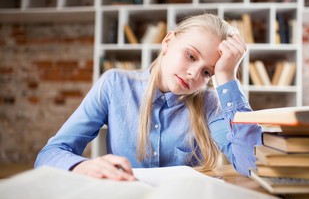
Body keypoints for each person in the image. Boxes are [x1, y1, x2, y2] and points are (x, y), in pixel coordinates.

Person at [35, 13, 262, 181]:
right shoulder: (115, 85)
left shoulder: (210, 103)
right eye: (191, 55)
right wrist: (83, 167)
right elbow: (49, 155)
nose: (194, 74)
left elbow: (250, 163)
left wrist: (226, 76)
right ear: (167, 41)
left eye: (207, 72)